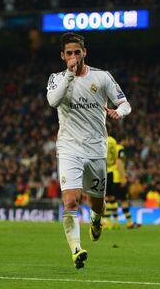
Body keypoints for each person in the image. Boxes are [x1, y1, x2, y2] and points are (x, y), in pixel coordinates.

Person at [46, 32, 131, 269]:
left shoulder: (102, 77)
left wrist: (119, 112)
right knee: (71, 200)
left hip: (96, 149)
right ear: (63, 56)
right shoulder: (56, 79)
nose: (74, 57)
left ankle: (96, 219)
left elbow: (125, 103)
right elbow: (53, 101)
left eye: (77, 52)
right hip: (69, 147)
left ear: (85, 52)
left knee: (98, 204)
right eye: (69, 53)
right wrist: (70, 77)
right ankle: (76, 250)